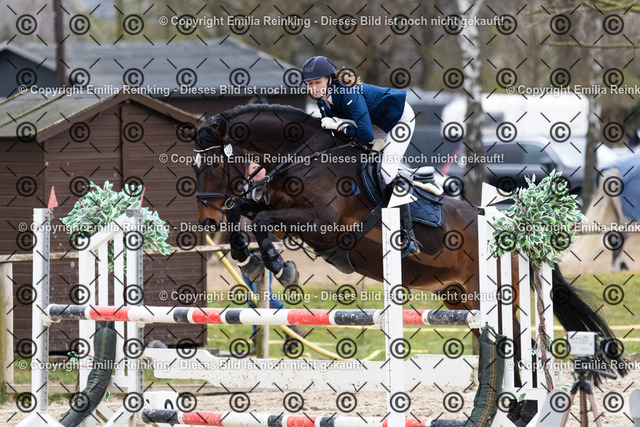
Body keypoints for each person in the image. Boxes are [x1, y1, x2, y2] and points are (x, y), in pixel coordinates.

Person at [301, 56, 419, 253]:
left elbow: (365, 134)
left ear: (330, 79)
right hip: (374, 122)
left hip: (399, 120)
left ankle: (408, 234)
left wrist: (340, 125)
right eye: (310, 84)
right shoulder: (322, 99)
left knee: (387, 171)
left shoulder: (348, 94)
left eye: (317, 82)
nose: (313, 88)